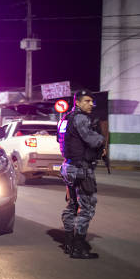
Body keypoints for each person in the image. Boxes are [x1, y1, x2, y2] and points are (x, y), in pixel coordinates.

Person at [57, 89, 105, 259]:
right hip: (81, 170)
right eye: (87, 101)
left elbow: (61, 141)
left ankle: (68, 242)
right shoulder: (81, 118)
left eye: (92, 101)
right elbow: (92, 140)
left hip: (68, 167)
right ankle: (78, 247)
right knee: (87, 208)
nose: (91, 104)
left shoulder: (65, 119)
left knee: (72, 205)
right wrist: (101, 138)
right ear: (77, 102)